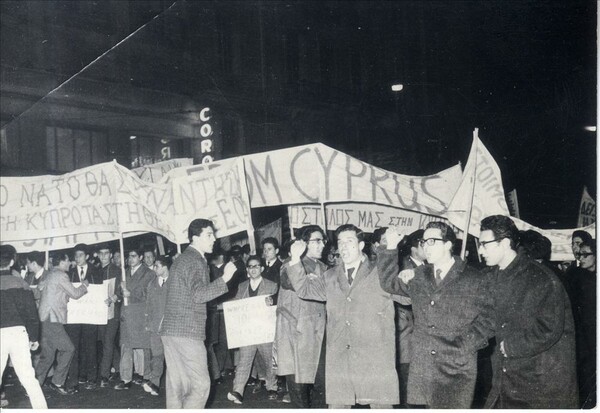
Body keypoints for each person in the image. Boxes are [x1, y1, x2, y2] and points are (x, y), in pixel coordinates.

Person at [379, 222, 494, 408]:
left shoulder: (474, 278)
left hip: (456, 367)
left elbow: (490, 318)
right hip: (424, 366)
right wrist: (391, 246)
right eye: (424, 242)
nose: (426, 247)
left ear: (448, 244)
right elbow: (389, 284)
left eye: (432, 241)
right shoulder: (418, 275)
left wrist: (466, 344)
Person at [287, 224, 402, 408]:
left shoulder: (379, 272)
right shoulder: (330, 275)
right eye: (340, 242)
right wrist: (294, 259)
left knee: (381, 406)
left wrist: (392, 250)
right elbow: (304, 289)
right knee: (338, 406)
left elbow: (404, 297)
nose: (343, 247)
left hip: (374, 358)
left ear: (361, 245)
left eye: (349, 241)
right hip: (340, 356)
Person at [479, 215, 578, 408]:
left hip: (539, 385)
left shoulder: (541, 278)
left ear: (505, 243)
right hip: (507, 380)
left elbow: (549, 328)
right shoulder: (493, 275)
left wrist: (511, 347)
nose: (480, 250)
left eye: (484, 244)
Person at [159, 218, 237, 408]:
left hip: (172, 330)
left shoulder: (183, 259)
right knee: (201, 385)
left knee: (177, 386)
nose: (214, 239)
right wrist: (225, 278)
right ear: (195, 238)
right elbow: (198, 294)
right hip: (187, 332)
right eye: (209, 235)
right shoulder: (195, 260)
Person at [276, 225, 328, 408]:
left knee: (322, 384)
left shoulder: (324, 267)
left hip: (320, 334)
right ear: (303, 243)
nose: (322, 245)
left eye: (323, 241)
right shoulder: (290, 264)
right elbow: (288, 281)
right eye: (317, 241)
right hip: (297, 334)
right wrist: (296, 259)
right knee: (299, 387)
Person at [227, 255, 279, 404]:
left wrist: (272, 302)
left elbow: (277, 304)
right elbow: (236, 305)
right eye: (250, 266)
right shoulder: (242, 286)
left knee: (269, 359)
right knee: (244, 360)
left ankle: (272, 387)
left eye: (256, 266)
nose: (253, 269)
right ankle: (238, 391)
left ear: (262, 268)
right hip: (248, 332)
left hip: (265, 331)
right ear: (247, 270)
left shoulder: (271, 285)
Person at [0, 245, 47, 409]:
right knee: (28, 378)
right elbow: (32, 315)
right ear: (12, 261)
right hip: (18, 334)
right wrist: (34, 338)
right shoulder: (21, 283)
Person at [35, 252, 88, 395]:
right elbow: (76, 294)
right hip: (53, 319)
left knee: (48, 354)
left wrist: (63, 297)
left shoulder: (49, 274)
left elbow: (46, 292)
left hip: (44, 318)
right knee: (69, 349)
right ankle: (57, 382)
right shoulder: (61, 275)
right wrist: (84, 285)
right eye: (68, 260)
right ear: (63, 261)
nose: (71, 263)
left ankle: (34, 385)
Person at [114, 249, 155, 390]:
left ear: (141, 257)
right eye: (129, 257)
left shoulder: (149, 273)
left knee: (144, 346)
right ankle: (125, 379)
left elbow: (148, 293)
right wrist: (120, 291)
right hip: (126, 313)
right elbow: (119, 292)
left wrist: (130, 293)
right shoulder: (124, 272)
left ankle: (147, 376)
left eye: (134, 256)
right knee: (126, 345)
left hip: (140, 312)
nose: (130, 259)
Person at [65, 243, 103, 390]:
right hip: (74, 316)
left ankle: (92, 377)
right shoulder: (69, 272)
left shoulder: (96, 272)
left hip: (90, 315)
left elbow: (100, 292)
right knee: (74, 346)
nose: (77, 258)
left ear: (87, 256)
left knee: (90, 346)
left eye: (80, 255)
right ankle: (75, 377)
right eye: (75, 256)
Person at [395, 228, 424, 408]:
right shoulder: (403, 268)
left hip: (425, 341)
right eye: (426, 243)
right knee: (409, 390)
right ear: (415, 247)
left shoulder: (431, 267)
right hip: (408, 337)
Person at [568, 239, 596, 408]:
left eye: (586, 254)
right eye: (580, 255)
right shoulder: (580, 278)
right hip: (586, 335)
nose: (581, 258)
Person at [142, 255, 171, 396]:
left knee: (172, 357)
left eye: (157, 266)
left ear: (165, 267)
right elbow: (148, 306)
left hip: (171, 326)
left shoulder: (174, 283)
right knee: (157, 355)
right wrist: (148, 322)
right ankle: (155, 383)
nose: (154, 268)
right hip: (155, 327)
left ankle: (175, 386)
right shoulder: (152, 284)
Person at [96, 243, 122, 388]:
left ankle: (104, 375)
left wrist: (114, 297)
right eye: (101, 253)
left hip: (113, 311)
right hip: (99, 312)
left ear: (111, 255)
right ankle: (118, 368)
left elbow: (122, 289)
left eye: (107, 253)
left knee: (107, 341)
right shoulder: (95, 270)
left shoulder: (117, 270)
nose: (104, 256)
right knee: (107, 342)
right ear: (99, 255)